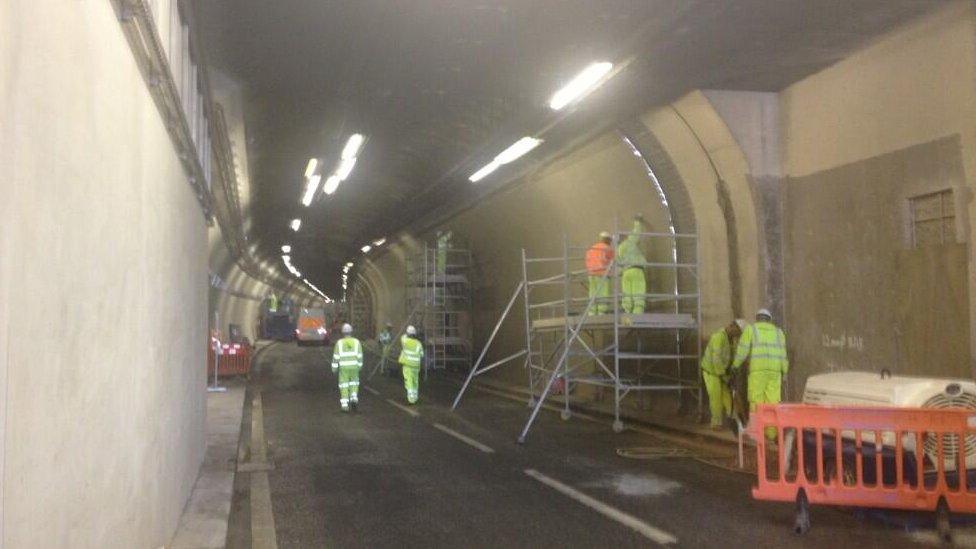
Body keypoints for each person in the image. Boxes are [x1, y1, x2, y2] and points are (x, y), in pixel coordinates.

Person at [731, 309, 788, 439]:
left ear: (757, 318)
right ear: (769, 320)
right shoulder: (778, 333)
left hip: (757, 371)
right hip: (775, 371)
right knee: (772, 402)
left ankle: (756, 433)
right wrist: (784, 371)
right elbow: (783, 354)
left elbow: (742, 350)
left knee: (756, 401)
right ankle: (772, 433)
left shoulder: (751, 330)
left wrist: (735, 365)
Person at [701, 319, 745, 430]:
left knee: (728, 397)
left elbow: (733, 357)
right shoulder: (718, 337)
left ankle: (735, 420)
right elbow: (716, 359)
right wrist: (723, 376)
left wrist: (732, 371)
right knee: (716, 396)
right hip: (711, 372)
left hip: (723, 373)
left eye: (739, 334)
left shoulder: (732, 340)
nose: (737, 335)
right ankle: (716, 423)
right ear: (732, 327)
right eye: (738, 332)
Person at [617, 214, 648, 314]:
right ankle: (638, 311)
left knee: (627, 293)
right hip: (636, 269)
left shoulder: (618, 250)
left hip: (625, 273)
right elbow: (637, 232)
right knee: (638, 291)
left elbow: (618, 267)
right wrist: (637, 221)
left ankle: (627, 310)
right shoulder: (630, 241)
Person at [331, 323, 363, 412]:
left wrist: (334, 368)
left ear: (343, 332)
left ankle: (345, 405)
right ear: (351, 332)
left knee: (344, 385)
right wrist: (359, 366)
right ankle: (354, 398)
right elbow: (360, 356)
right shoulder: (357, 342)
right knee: (354, 383)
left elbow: (336, 357)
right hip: (354, 367)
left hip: (344, 368)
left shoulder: (339, 343)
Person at [585, 231, 614, 314]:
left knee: (593, 294)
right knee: (603, 294)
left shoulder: (592, 248)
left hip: (591, 274)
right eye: (610, 241)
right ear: (608, 240)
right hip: (602, 274)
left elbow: (587, 260)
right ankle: (601, 312)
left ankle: (592, 312)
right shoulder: (607, 248)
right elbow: (614, 260)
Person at [398, 325, 425, 404]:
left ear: (408, 333)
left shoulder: (405, 341)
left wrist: (406, 333)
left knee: (409, 381)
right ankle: (415, 396)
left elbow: (403, 337)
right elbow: (422, 354)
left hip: (408, 365)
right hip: (416, 366)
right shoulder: (419, 343)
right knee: (415, 381)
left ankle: (411, 398)